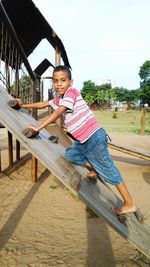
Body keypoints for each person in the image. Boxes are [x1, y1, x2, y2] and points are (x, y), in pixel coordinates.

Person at [16, 65, 137, 215]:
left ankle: (129, 203)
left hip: (94, 137)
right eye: (55, 81)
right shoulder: (60, 98)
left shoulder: (72, 93)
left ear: (70, 82)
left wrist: (38, 127)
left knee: (108, 169)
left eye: (63, 80)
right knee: (71, 155)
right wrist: (23, 105)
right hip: (82, 141)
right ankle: (94, 169)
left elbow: (60, 111)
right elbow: (44, 103)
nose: (59, 84)